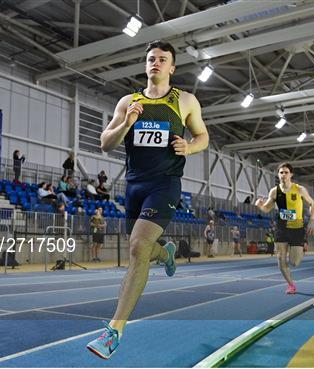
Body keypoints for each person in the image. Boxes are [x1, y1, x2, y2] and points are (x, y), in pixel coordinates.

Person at [86, 40, 209, 359]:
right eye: (151, 59)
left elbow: (203, 136)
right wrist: (127, 123)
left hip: (165, 183)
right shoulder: (128, 101)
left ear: (172, 68)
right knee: (141, 248)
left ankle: (114, 331)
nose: (155, 63)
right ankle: (166, 251)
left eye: (162, 59)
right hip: (134, 186)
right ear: (146, 65)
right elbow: (104, 143)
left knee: (138, 248)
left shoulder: (185, 101)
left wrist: (190, 147)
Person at [255, 162, 314, 295]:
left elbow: (313, 204)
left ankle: (300, 248)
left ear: (291, 174)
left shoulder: (299, 189)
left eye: (286, 172)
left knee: (294, 262)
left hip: (297, 228)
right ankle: (291, 285)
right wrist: (260, 205)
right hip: (281, 228)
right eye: (281, 172)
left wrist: (311, 221)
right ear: (278, 175)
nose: (283, 175)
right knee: (280, 257)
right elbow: (266, 208)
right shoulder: (274, 191)